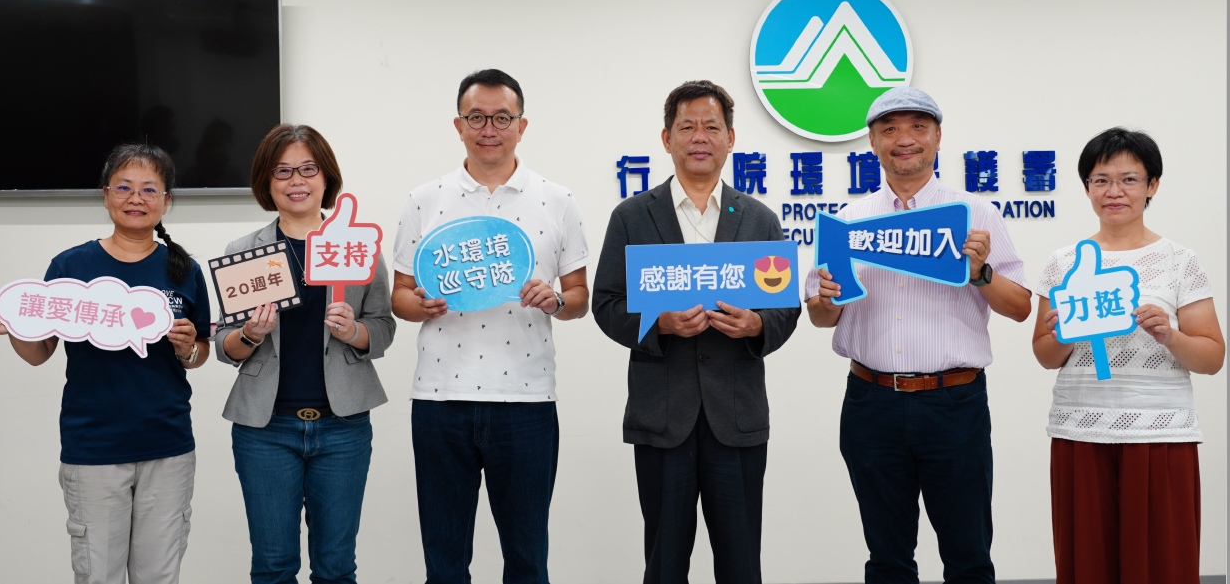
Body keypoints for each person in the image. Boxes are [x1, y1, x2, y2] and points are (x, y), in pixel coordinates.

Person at [805, 87, 1032, 584]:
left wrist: (980, 272)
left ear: (937, 137)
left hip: (954, 403)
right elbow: (822, 318)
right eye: (889, 129)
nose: (903, 139)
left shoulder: (976, 212)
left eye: (917, 128)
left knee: (968, 553)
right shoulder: (848, 221)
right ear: (872, 143)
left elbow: (1020, 308)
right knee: (887, 558)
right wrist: (823, 298)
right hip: (871, 403)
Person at [592, 80, 800, 584]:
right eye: (687, 126)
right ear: (667, 138)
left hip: (737, 415)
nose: (699, 136)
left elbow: (786, 308)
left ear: (731, 138)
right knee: (664, 564)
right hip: (663, 416)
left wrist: (755, 325)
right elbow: (605, 305)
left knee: (740, 563)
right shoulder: (632, 216)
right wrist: (658, 324)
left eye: (712, 126)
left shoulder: (759, 218)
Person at [0, 143, 210, 584]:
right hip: (94, 447)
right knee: (97, 574)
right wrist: (10, 326)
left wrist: (185, 349)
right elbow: (39, 352)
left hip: (169, 443)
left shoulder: (185, 270)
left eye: (148, 190)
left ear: (166, 201)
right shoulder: (70, 265)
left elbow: (200, 354)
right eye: (123, 187)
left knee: (160, 575)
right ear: (105, 196)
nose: (135, 199)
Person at [391, 69, 589, 584]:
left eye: (502, 118)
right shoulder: (423, 200)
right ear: (458, 125)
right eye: (477, 117)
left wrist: (555, 300)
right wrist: (422, 305)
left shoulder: (557, 199)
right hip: (439, 399)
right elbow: (400, 296)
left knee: (526, 558)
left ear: (522, 126)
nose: (489, 128)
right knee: (444, 556)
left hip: (526, 403)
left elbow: (580, 299)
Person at [1031, 128, 1224, 584]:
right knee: (1088, 566)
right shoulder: (1063, 262)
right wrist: (1063, 332)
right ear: (1086, 188)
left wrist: (1169, 335)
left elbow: (1212, 356)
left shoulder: (1179, 260)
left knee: (1160, 566)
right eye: (1100, 180)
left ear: (1152, 185)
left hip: (1160, 434)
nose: (1113, 192)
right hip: (1080, 430)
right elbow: (1044, 354)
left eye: (1129, 179)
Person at [212, 124, 396, 584]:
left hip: (343, 427)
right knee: (273, 567)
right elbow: (223, 343)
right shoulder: (245, 253)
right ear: (266, 182)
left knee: (336, 567)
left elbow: (384, 327)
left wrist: (355, 331)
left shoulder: (358, 250)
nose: (297, 180)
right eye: (283, 171)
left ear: (326, 177)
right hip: (265, 429)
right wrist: (251, 334)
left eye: (308, 169)